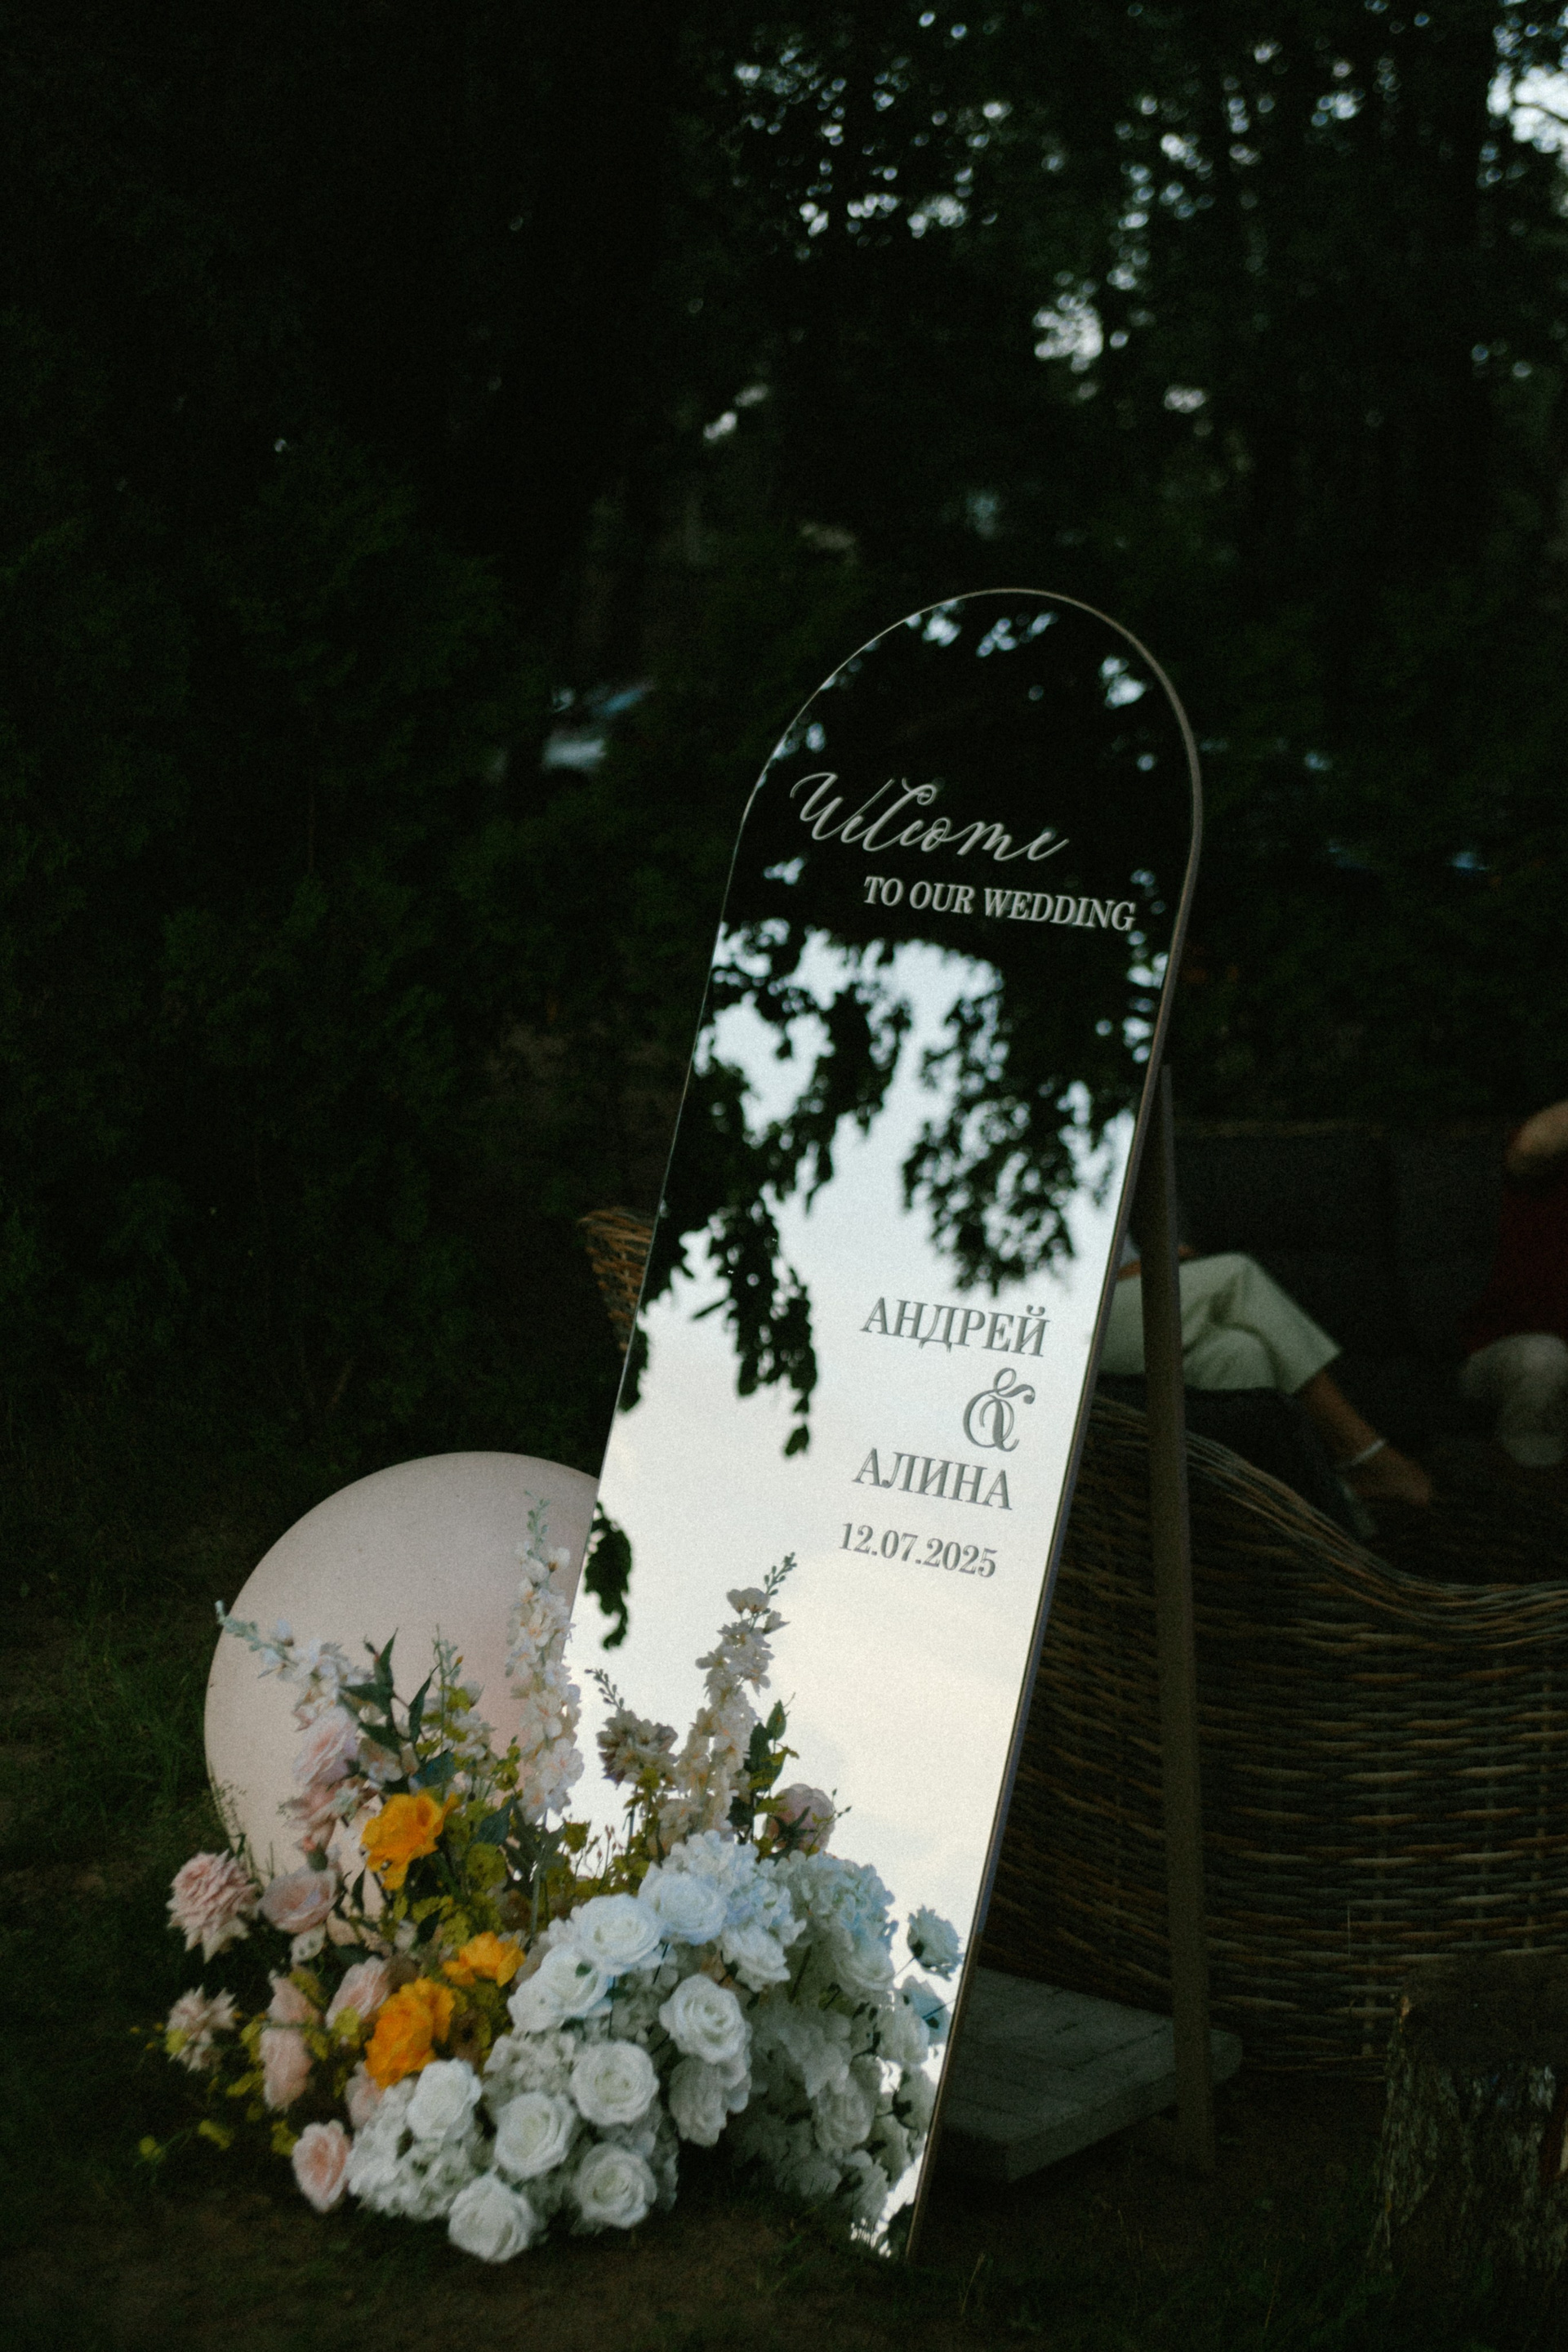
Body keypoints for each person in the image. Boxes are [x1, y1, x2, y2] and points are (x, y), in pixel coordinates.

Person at [1102, 1245, 1433, 1507]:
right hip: (1083, 1322)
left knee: (1241, 1351)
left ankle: (1311, 1525)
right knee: (1237, 1274)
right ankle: (1363, 1453)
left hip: (1122, 1300)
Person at [1459, 1098, 1568, 1480]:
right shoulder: (1542, 1161)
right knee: (1542, 1360)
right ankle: (1531, 1487)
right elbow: (1531, 1148)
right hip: (1502, 1353)